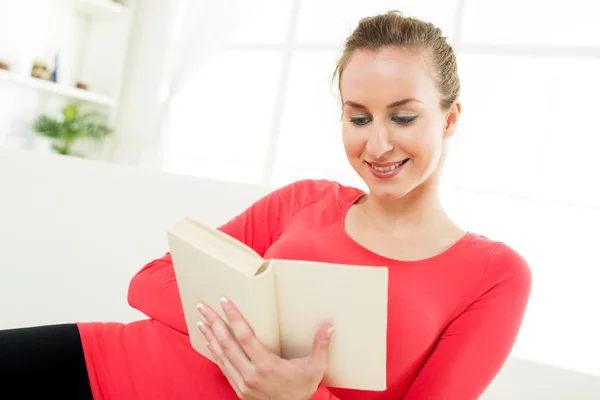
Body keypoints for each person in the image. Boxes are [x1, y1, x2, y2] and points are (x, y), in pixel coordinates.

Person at [0, 10, 532, 400]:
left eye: (404, 116)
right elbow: (149, 281)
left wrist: (297, 393)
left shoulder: (493, 275)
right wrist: (260, 341)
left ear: (451, 118)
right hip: (108, 364)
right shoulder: (305, 199)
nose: (377, 146)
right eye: (359, 117)